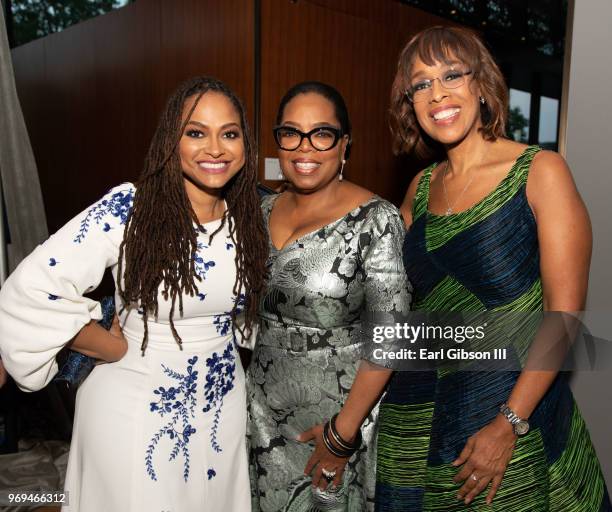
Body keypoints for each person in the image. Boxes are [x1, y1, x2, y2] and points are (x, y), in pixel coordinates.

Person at [0, 76, 267, 511]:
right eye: (196, 132)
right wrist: (105, 345)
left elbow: (249, 318)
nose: (215, 148)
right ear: (170, 141)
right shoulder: (130, 209)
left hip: (222, 408)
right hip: (134, 403)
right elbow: (29, 290)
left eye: (229, 133)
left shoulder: (249, 217)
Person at [375, 26, 611, 511]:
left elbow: (563, 317)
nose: (436, 93)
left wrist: (508, 423)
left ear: (481, 84)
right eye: (420, 84)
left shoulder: (540, 171)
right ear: (410, 104)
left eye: (451, 76)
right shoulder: (419, 188)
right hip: (416, 413)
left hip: (505, 412)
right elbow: (386, 294)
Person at [246, 81, 411, 512]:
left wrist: (342, 436)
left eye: (322, 133)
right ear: (278, 141)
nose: (305, 147)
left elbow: (390, 340)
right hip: (260, 410)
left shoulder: (376, 220)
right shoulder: (259, 212)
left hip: (337, 416)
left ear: (344, 145)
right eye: (291, 133)